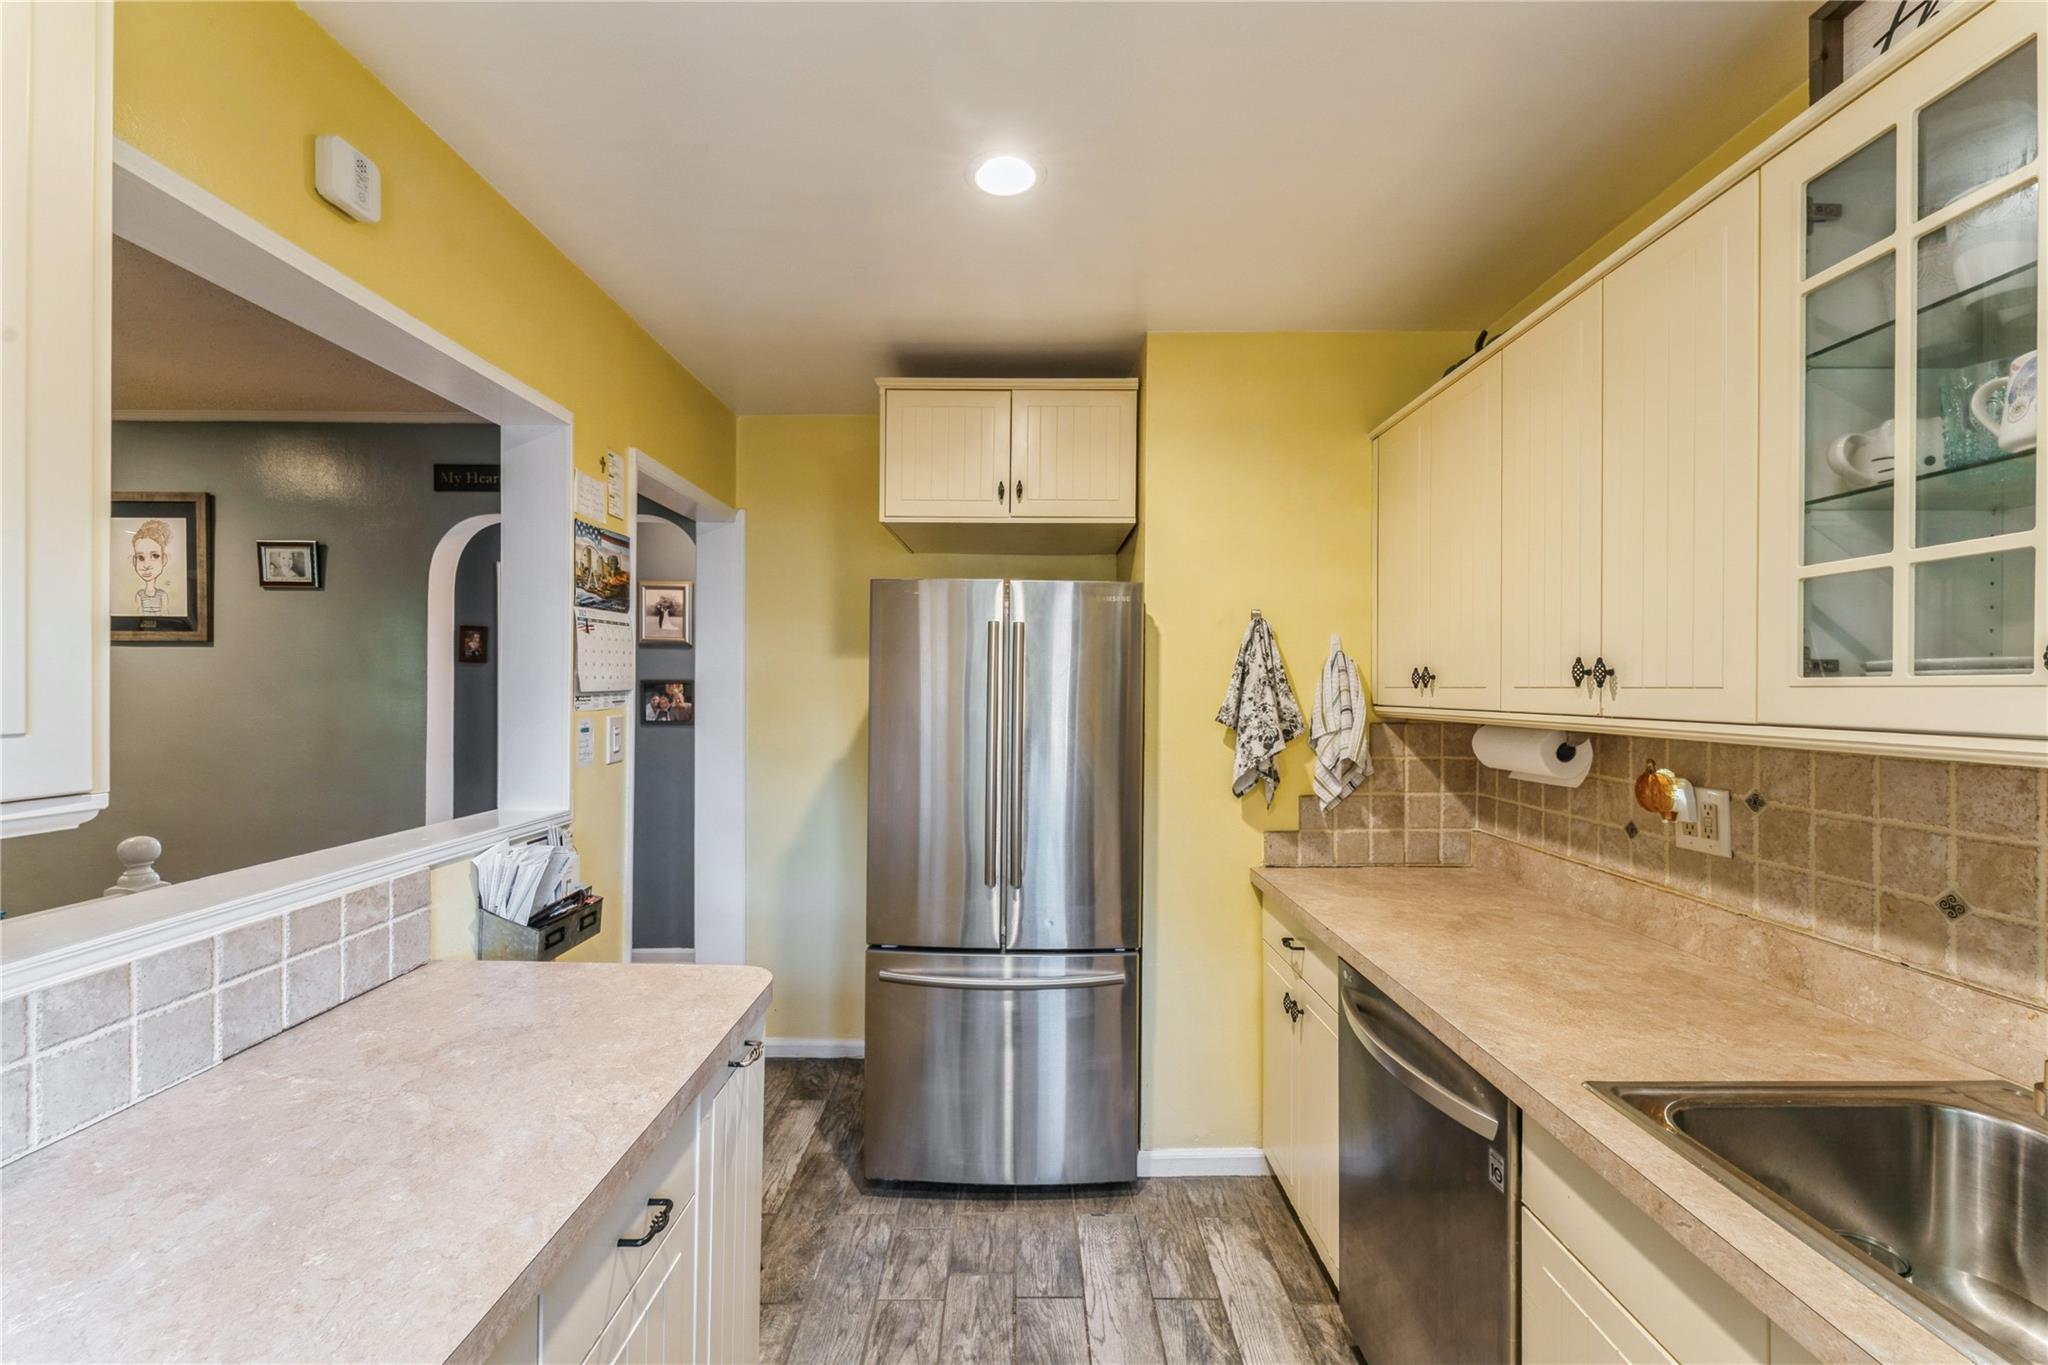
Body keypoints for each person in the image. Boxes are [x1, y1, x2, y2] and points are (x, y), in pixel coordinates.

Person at [130, 519, 173, 615]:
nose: (146, 565)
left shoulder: (163, 595)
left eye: (155, 556)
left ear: (164, 559)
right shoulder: (139, 595)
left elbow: (165, 614)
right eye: (140, 557)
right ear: (134, 561)